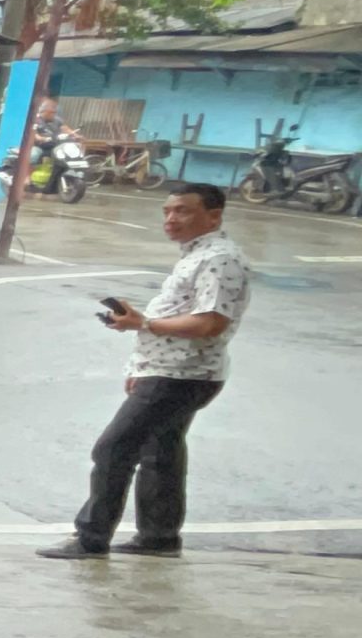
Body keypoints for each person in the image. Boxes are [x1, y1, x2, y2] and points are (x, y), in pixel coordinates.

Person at [39, 183, 250, 560]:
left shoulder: (219, 259)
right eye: (167, 211)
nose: (171, 219)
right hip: (169, 370)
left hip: (181, 375)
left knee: (113, 449)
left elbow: (210, 322)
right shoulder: (197, 254)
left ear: (214, 216)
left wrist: (143, 323)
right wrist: (142, 359)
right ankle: (159, 537)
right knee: (160, 450)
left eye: (183, 211)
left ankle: (91, 538)